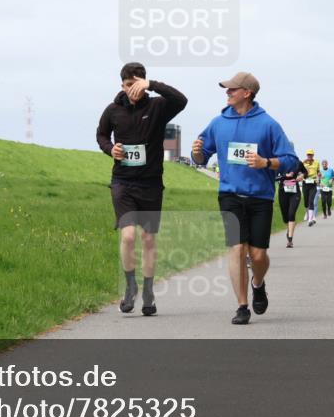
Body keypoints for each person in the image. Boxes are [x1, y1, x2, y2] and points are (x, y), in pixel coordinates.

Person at [192, 72, 299, 325]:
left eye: (232, 89)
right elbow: (201, 157)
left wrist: (266, 162)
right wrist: (197, 153)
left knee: (258, 255)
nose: (227, 92)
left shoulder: (268, 124)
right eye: (227, 89)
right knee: (238, 249)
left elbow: (291, 160)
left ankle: (258, 283)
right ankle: (242, 306)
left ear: (247, 93)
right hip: (229, 195)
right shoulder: (218, 122)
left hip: (260, 197)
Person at [97, 62, 187, 316]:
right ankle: (130, 287)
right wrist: (109, 149)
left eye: (136, 84)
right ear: (122, 85)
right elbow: (101, 134)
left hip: (151, 184)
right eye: (127, 85)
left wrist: (153, 85)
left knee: (148, 239)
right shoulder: (113, 110)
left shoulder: (158, 106)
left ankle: (148, 291)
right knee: (127, 236)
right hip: (123, 182)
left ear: (143, 83)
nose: (132, 90)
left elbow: (182, 100)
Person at [277, 164, 306, 248]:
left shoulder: (297, 162)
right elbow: (274, 177)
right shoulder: (279, 162)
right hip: (283, 192)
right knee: (285, 218)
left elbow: (305, 172)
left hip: (295, 192)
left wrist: (302, 175)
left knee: (291, 214)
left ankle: (290, 240)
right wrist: (284, 176)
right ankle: (289, 229)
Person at [301, 149, 320, 226]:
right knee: (306, 202)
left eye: (311, 154)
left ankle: (310, 219)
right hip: (305, 183)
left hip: (313, 183)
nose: (309, 156)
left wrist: (319, 176)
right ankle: (307, 212)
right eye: (308, 154)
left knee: (311, 200)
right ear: (307, 155)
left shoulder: (317, 162)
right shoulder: (303, 162)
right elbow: (300, 171)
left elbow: (318, 171)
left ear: (313, 155)